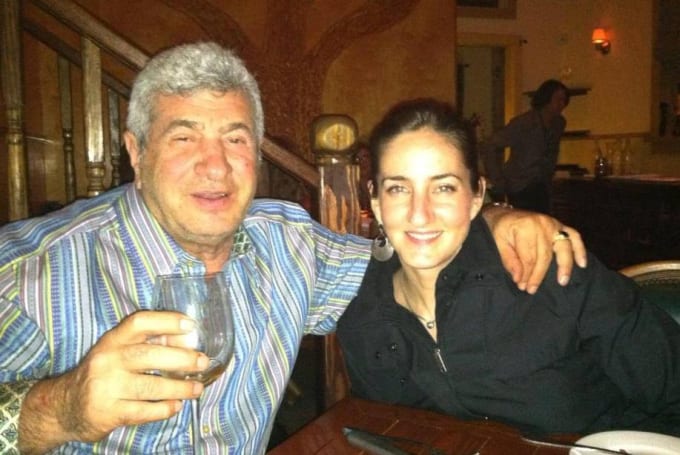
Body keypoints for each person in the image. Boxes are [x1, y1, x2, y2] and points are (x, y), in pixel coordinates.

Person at [0, 43, 586, 454]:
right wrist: (57, 409)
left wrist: (492, 216)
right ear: (135, 150)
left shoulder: (287, 242)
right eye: (183, 137)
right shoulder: (32, 271)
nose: (215, 165)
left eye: (235, 138)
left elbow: (404, 258)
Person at [337, 98, 680, 437]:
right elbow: (386, 433)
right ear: (376, 202)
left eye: (443, 187)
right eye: (398, 188)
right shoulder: (364, 319)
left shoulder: (549, 270)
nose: (419, 213)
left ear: (475, 197)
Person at [481, 79, 569, 214]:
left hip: (543, 186)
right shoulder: (524, 123)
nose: (562, 104)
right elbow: (490, 144)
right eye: (558, 99)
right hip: (520, 185)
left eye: (564, 100)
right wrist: (497, 180)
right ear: (546, 98)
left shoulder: (558, 124)